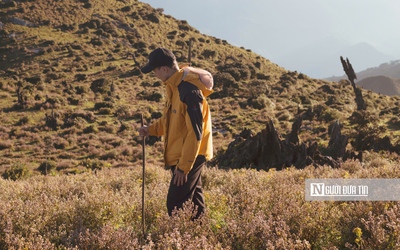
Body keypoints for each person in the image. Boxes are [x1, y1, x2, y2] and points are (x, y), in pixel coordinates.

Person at [138, 47, 214, 219]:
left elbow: (195, 133)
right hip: (184, 154)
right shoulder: (174, 88)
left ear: (164, 69)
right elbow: (170, 121)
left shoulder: (188, 92)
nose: (155, 75)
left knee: (175, 204)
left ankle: (181, 240)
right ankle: (200, 238)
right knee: (194, 202)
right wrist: (150, 130)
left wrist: (183, 167)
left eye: (155, 71)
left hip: (190, 155)